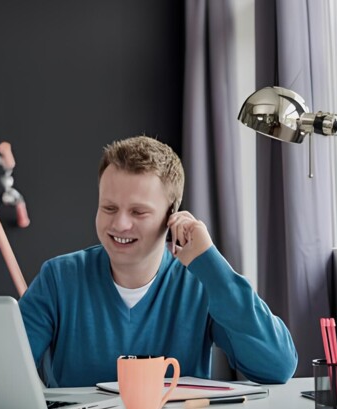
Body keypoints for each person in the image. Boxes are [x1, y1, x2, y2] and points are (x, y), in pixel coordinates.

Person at [19, 136, 297, 387]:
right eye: (109, 208)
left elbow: (277, 366)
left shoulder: (201, 283)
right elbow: (4, 372)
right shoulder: (58, 277)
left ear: (172, 215)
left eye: (138, 212)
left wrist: (211, 264)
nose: (119, 224)